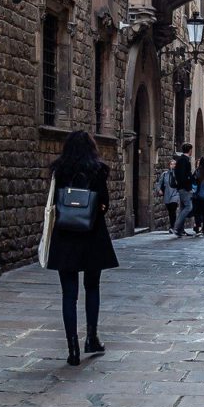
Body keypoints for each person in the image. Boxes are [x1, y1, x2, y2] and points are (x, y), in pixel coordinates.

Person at [46, 131, 119, 366]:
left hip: (65, 235)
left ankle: (73, 350)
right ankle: (92, 338)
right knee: (92, 288)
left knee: (69, 294)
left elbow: (55, 202)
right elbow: (104, 203)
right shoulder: (98, 170)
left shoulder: (60, 170)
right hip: (92, 236)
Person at [172, 142, 194, 238]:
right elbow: (184, 176)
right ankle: (176, 227)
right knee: (188, 207)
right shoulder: (184, 160)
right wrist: (188, 187)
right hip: (184, 188)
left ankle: (180, 230)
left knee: (182, 208)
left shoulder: (181, 160)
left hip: (182, 187)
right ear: (189, 150)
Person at [156, 159, 180, 233]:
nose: (173, 165)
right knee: (170, 211)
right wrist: (159, 190)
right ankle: (172, 225)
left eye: (174, 164)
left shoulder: (178, 174)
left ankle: (172, 226)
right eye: (171, 164)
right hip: (167, 194)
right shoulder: (165, 174)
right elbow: (159, 183)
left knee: (173, 209)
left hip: (175, 193)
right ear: (169, 165)